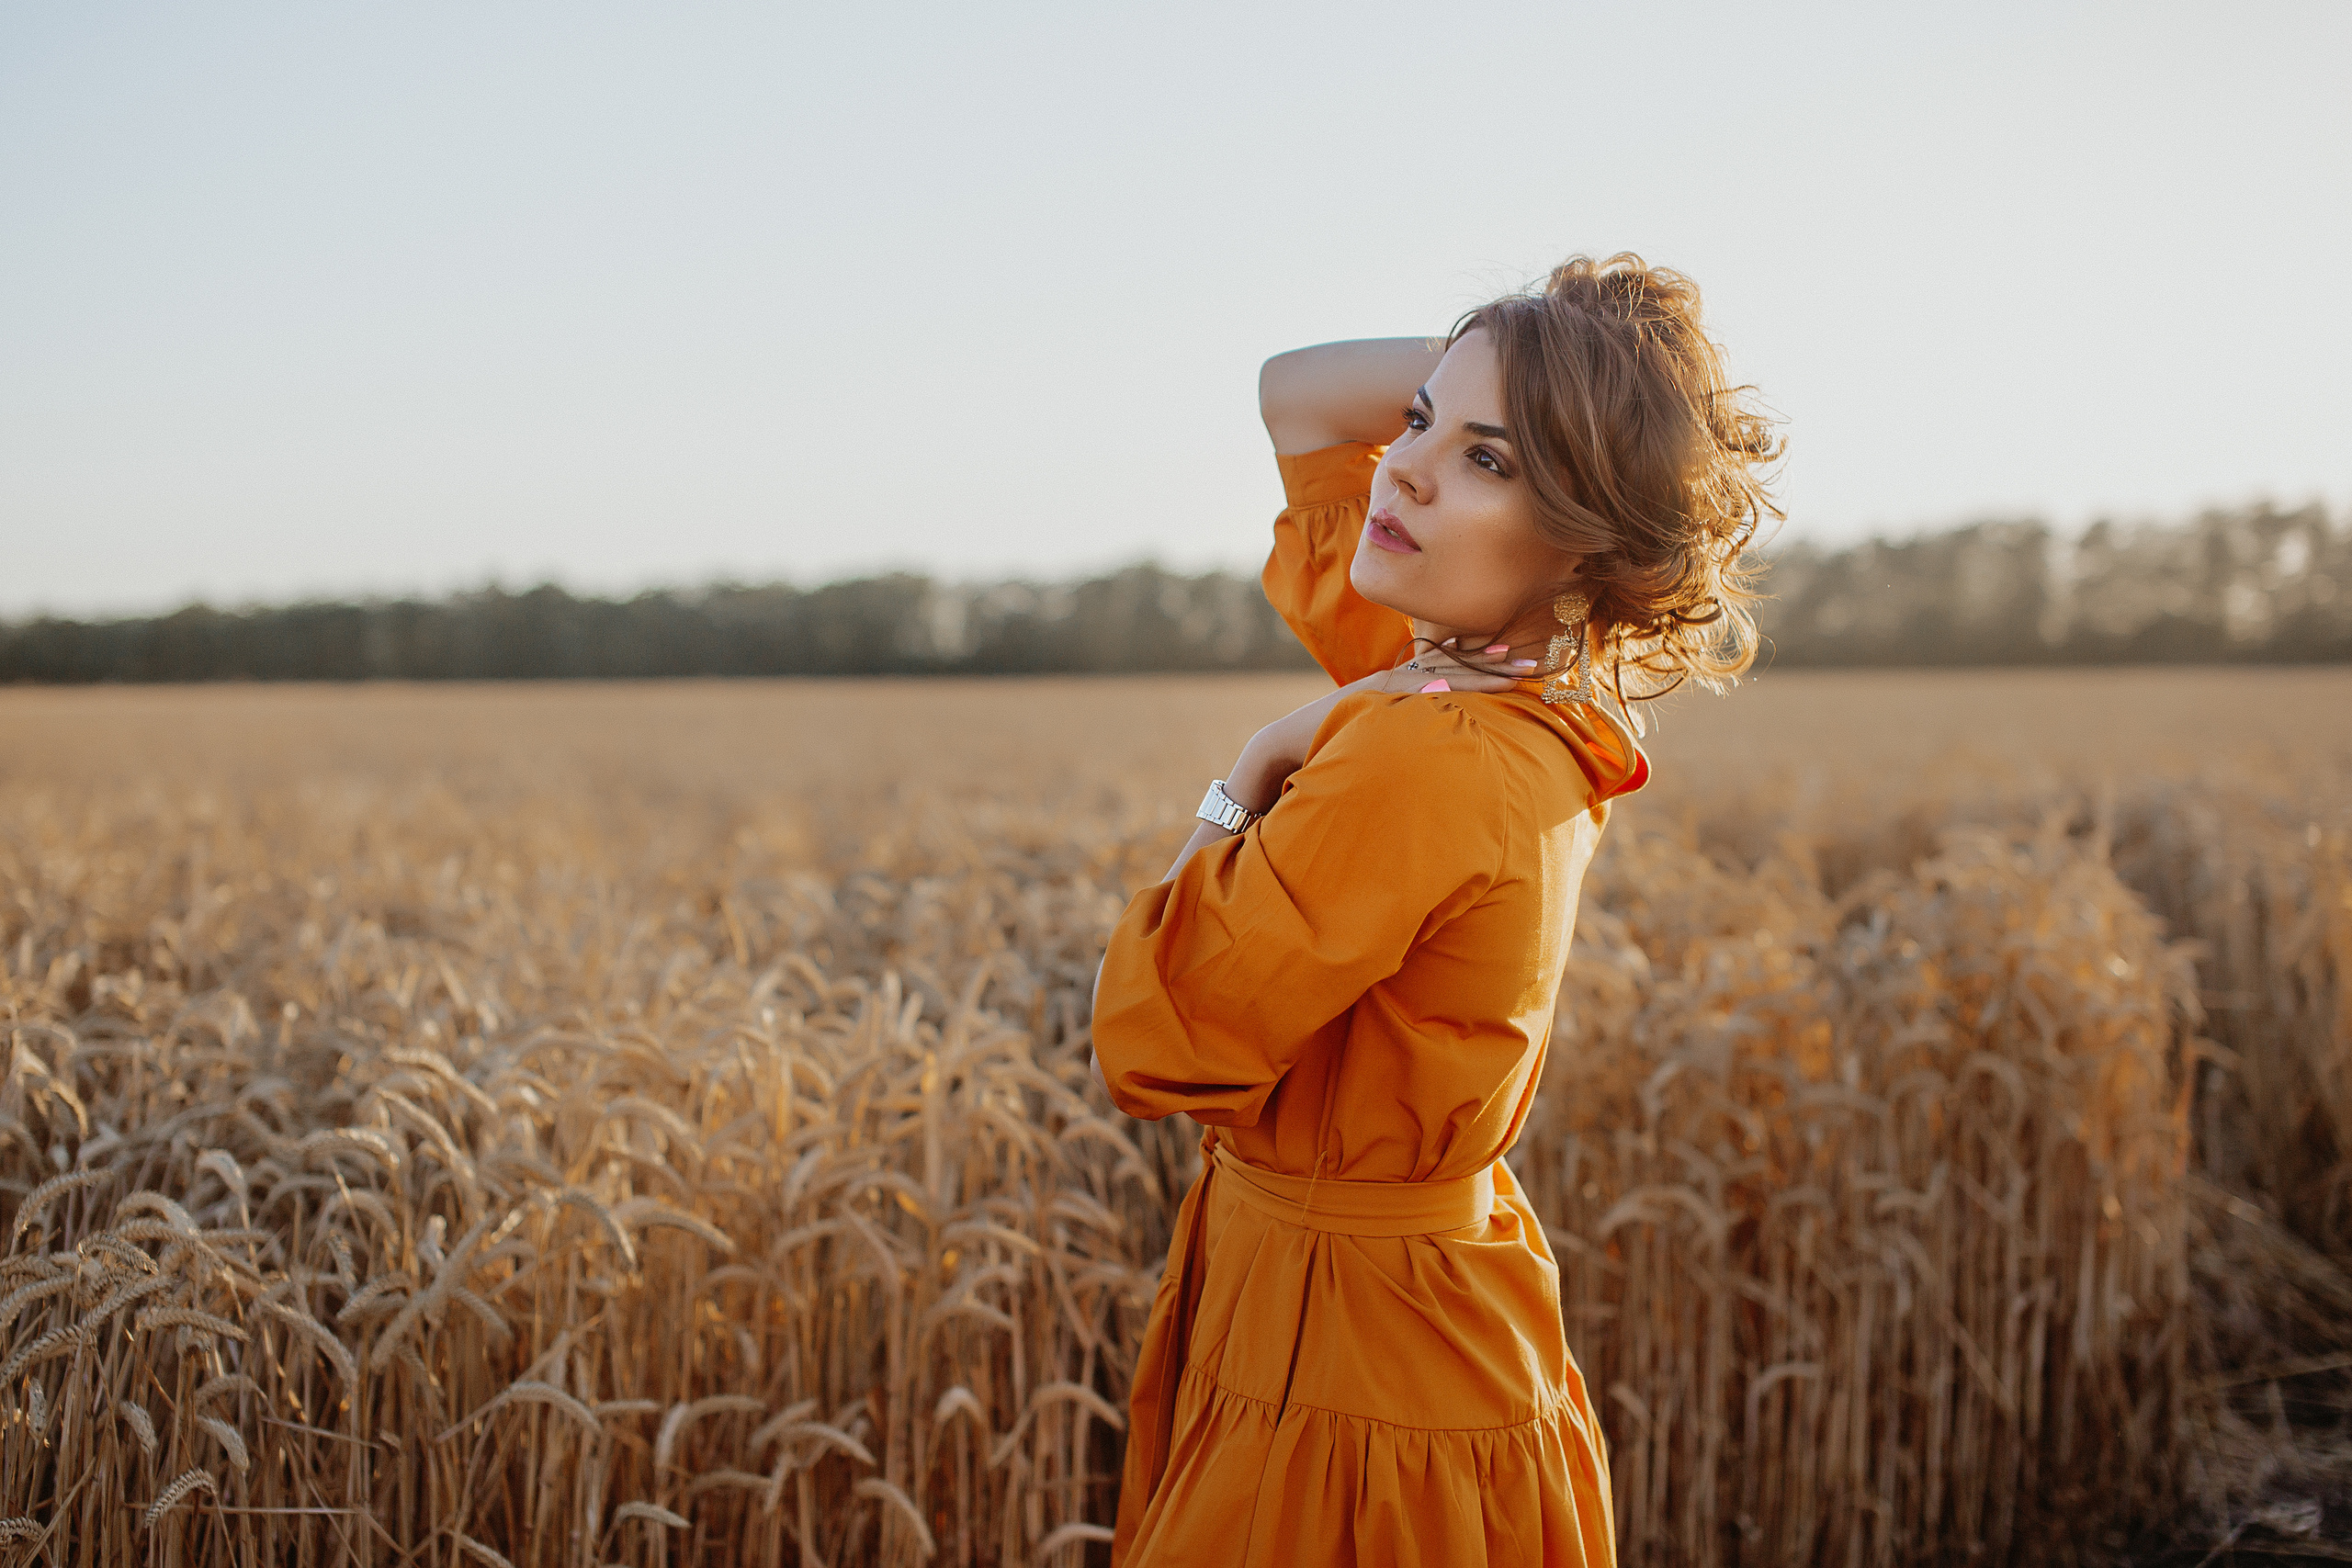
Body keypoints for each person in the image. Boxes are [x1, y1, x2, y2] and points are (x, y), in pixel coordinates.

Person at [1089, 253, 1779, 1567]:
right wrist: (1552, 363)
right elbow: (1295, 395)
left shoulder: (1418, 745)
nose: (1399, 473)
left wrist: (1247, 775)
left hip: (1345, 1382)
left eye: (1491, 463)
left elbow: (1152, 1039)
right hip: (1405, 1327)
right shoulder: (1504, 694)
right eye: (1419, 423)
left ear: (1581, 536)